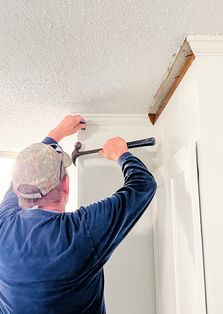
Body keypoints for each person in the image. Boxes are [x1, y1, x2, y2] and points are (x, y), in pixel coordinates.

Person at [0, 115, 157, 314]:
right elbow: (143, 185)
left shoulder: (3, 224)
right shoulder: (81, 232)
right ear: (66, 184)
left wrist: (54, 135)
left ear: (17, 192)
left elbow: (25, 171)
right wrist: (121, 153)